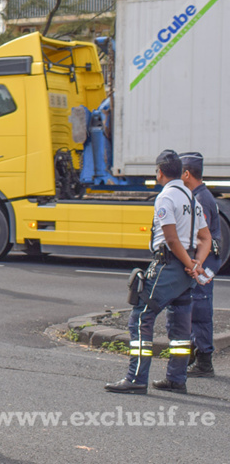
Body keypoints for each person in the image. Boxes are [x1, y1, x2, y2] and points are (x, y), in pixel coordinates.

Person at [104, 149, 210, 395]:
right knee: (181, 326)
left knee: (140, 317)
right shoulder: (192, 199)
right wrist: (196, 264)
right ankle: (176, 378)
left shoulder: (166, 197)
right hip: (186, 273)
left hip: (169, 266)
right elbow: (204, 238)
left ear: (160, 172)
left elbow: (172, 240)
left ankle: (136, 378)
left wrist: (187, 262)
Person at [180, 152, 219, 377]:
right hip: (202, 263)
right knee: (196, 309)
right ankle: (196, 355)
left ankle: (205, 363)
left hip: (203, 264)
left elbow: (201, 237)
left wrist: (195, 265)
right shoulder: (199, 196)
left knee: (201, 310)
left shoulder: (200, 200)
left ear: (187, 174)